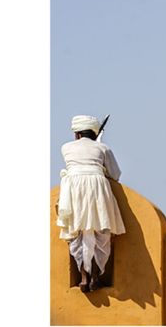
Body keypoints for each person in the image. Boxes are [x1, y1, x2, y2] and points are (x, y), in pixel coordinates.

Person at [56, 115, 126, 292]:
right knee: (99, 231)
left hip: (73, 189)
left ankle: (83, 277)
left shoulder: (66, 147)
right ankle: (95, 275)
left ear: (77, 134)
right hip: (97, 188)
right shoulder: (102, 147)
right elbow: (115, 174)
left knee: (77, 231)